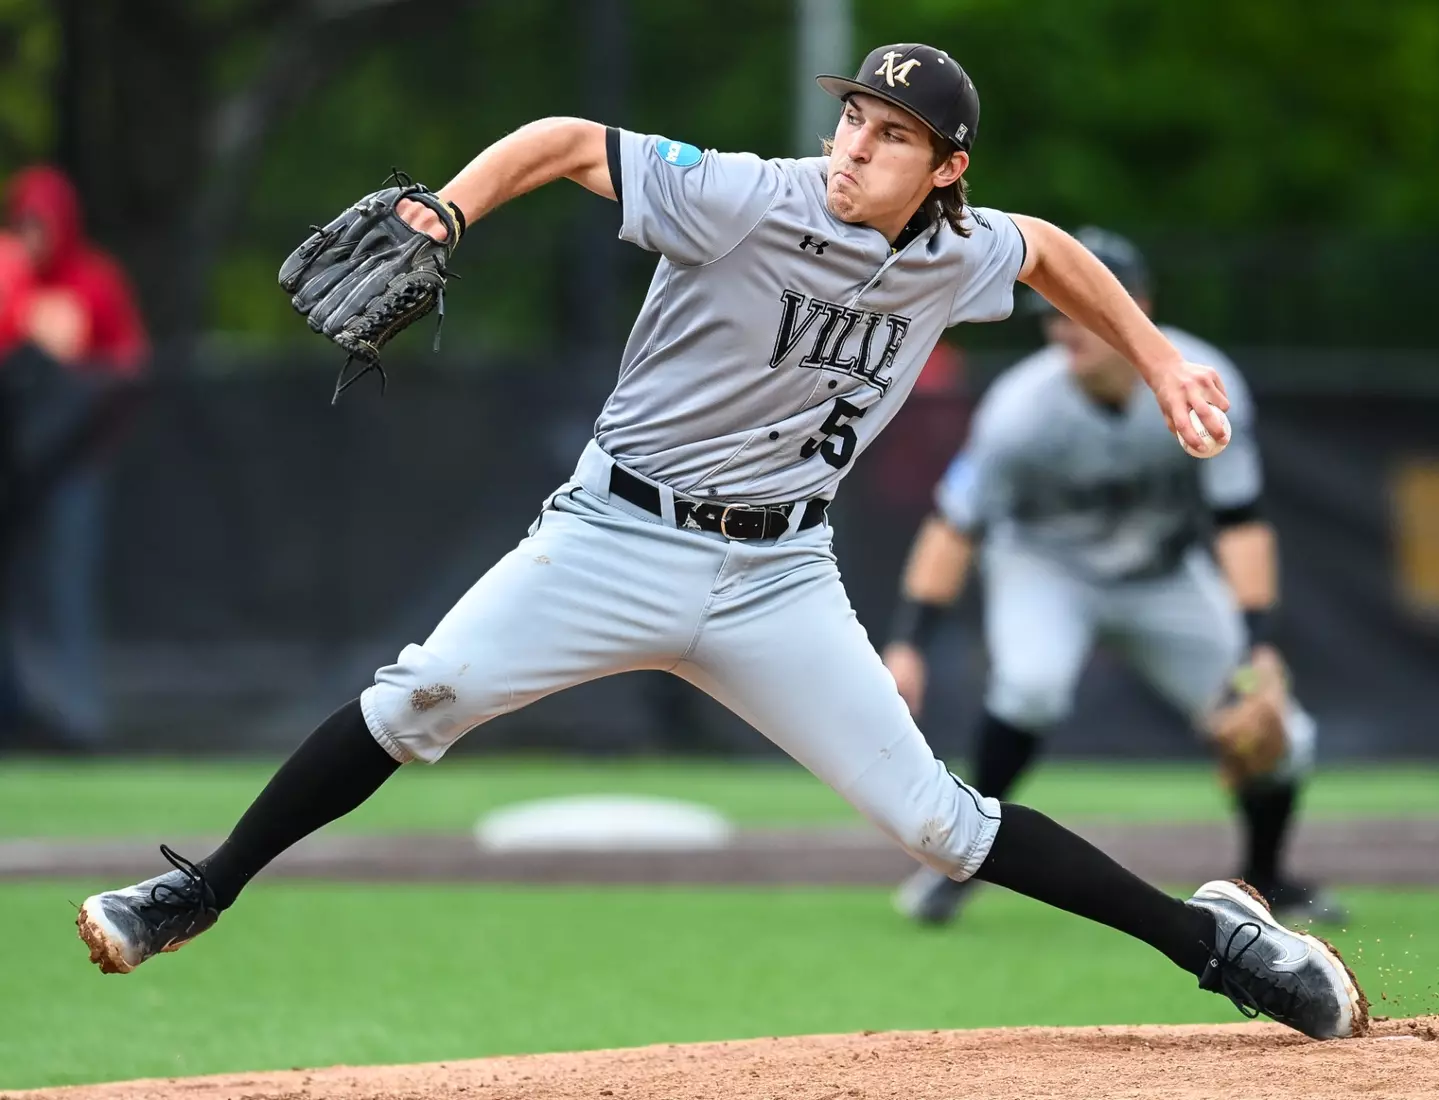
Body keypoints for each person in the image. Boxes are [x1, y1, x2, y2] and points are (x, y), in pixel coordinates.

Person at [75, 44, 1364, 1040]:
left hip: (780, 578)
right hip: (615, 536)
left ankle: (1221, 947)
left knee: (937, 823)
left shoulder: (957, 252)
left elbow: (1050, 255)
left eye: (894, 133)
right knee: (422, 695)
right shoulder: (746, 198)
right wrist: (450, 214)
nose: (856, 142)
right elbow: (566, 140)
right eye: (855, 116)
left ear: (947, 168)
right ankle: (198, 892)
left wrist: (1152, 357)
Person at [882, 228, 1344, 929]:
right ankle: (958, 863)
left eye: (1081, 308)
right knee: (1030, 686)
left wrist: (1258, 646)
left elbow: (1241, 520)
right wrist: (910, 641)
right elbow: (954, 525)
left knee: (1280, 732)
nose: (1064, 328)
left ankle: (1268, 879)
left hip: (1161, 575)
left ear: (1140, 307)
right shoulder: (1021, 408)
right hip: (1048, 567)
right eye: (1054, 312)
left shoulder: (1203, 380)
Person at [1, 166, 148, 749]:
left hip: (69, 472)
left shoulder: (94, 281)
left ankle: (76, 719)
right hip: (12, 473)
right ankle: (17, 711)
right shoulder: (11, 275)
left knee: (67, 593)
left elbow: (130, 365)